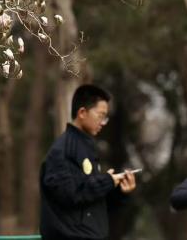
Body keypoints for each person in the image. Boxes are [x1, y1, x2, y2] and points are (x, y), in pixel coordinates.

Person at [39, 84, 136, 240]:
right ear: (82, 113)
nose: (103, 122)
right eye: (101, 115)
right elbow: (68, 195)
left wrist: (120, 191)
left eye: (106, 117)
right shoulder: (62, 150)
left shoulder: (87, 148)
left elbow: (92, 204)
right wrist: (105, 182)